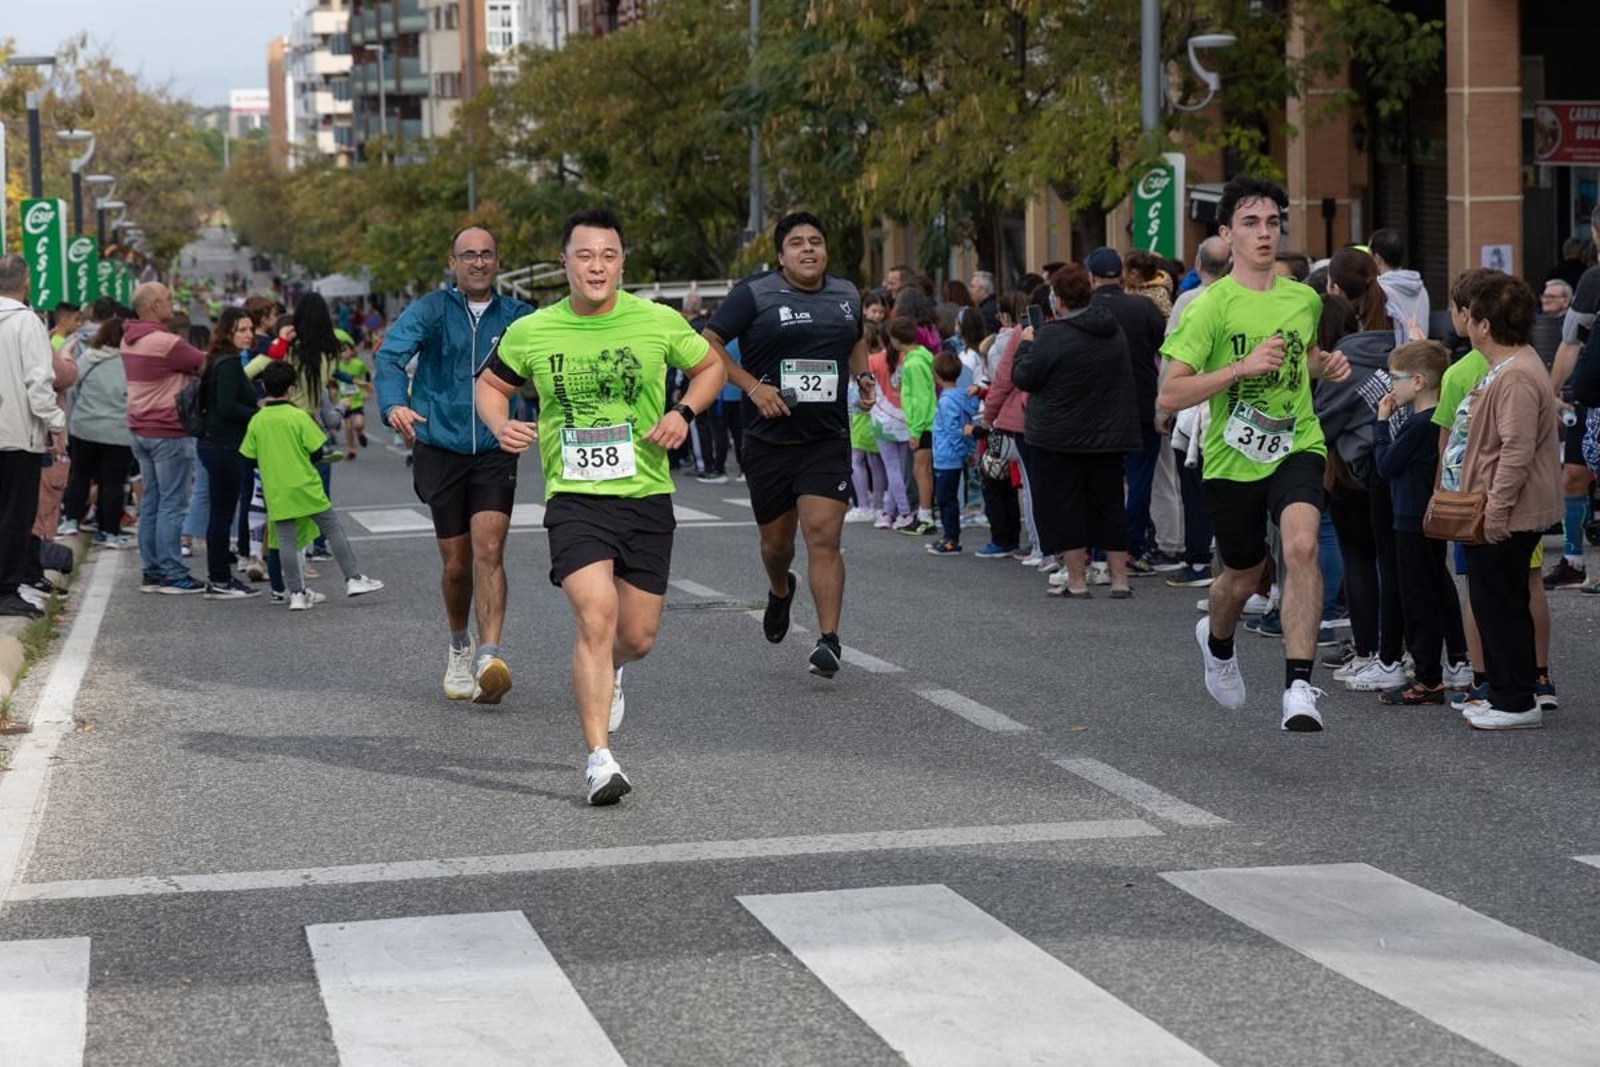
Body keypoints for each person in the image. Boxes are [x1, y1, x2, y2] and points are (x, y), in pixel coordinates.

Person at [475, 207, 725, 805]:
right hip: (575, 498)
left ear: (621, 263)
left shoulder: (656, 320)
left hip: (645, 494)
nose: (596, 266)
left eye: (608, 256)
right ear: (564, 263)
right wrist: (500, 423)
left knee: (636, 636)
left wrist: (682, 412)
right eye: (584, 256)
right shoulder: (533, 330)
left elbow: (711, 366)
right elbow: (490, 385)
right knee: (594, 616)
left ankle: (612, 670)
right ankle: (599, 760)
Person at [1158, 175, 1353, 732]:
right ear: (1227, 234)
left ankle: (1298, 686)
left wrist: (1326, 365)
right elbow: (1170, 394)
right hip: (1232, 457)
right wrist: (1241, 368)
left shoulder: (1304, 298)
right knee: (1242, 576)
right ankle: (1217, 642)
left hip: (1297, 442)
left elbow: (1306, 357)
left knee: (1302, 546)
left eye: (1272, 222)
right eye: (1250, 223)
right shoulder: (1209, 307)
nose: (1264, 234)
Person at [704, 212, 872, 677]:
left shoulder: (847, 294)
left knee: (824, 536)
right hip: (769, 439)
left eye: (816, 241)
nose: (808, 249)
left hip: (825, 437)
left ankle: (828, 640)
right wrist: (751, 387)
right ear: (781, 256)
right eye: (796, 243)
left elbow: (858, 338)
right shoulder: (754, 294)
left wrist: (863, 375)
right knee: (777, 544)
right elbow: (710, 340)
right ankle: (780, 588)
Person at [374, 226, 535, 703]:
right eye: (469, 255)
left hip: (494, 445)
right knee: (458, 564)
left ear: (497, 260)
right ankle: (459, 645)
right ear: (453, 263)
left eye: (487, 254)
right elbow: (388, 359)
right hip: (439, 446)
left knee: (489, 548)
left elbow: (556, 360)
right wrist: (392, 406)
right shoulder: (430, 310)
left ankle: (489, 656)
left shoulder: (520, 316)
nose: (479, 262)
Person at [1435, 268, 1557, 713]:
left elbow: (1516, 451)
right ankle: (1511, 693)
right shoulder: (1507, 366)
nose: (1462, 319)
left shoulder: (1516, 373)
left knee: (1500, 604)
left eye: (1469, 314)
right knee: (1495, 601)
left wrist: (1497, 512)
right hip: (1493, 507)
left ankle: (1514, 699)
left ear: (1484, 324)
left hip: (1504, 510)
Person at [1013, 263, 1142, 599]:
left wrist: (1027, 343)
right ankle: (1119, 580)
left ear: (1058, 299)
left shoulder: (1052, 335)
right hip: (1108, 433)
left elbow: (1025, 377)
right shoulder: (1112, 330)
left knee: (1067, 505)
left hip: (1060, 436)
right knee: (1110, 504)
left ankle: (1077, 580)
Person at [241, 362, 384, 611]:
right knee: (331, 528)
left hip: (276, 488)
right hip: (306, 485)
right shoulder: (298, 416)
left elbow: (248, 457)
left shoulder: (257, 420)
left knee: (285, 539)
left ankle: (296, 593)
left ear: (263, 386)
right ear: (293, 388)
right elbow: (317, 451)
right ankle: (353, 578)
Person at [1371, 340, 1468, 704]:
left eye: (1395, 377)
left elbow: (1385, 465)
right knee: (1435, 587)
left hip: (1411, 517)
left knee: (1417, 598)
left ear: (1418, 381)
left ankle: (1428, 678)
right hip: (1425, 515)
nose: (1390, 386)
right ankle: (1452, 661)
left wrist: (1380, 423)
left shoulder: (1418, 425)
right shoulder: (1434, 420)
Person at [1086, 246, 1171, 574]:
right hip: (1141, 404)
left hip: (1097, 410)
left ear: (1092, 277)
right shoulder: (1143, 307)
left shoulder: (1085, 310)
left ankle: (1098, 548)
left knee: (1100, 482)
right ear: (1120, 275)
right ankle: (1132, 546)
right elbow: (1164, 351)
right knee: (1140, 480)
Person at [122, 282, 206, 594]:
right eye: (168, 299)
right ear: (154, 306)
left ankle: (153, 570)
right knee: (173, 504)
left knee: (152, 504)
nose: (172, 302)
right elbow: (205, 363)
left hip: (139, 429)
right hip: (168, 431)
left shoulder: (129, 338)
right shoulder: (166, 342)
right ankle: (173, 572)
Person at [1160, 237, 1231, 587]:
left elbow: (1172, 358)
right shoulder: (1241, 298)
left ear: (1198, 266)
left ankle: (1199, 559)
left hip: (1193, 404)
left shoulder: (1189, 300)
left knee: (1194, 486)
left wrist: (1163, 404)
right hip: (1233, 403)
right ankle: (1223, 560)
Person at [0, 256, 66, 619]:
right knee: (15, 515)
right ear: (25, 282)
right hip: (17, 434)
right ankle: (6, 589)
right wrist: (55, 423)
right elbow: (38, 383)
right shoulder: (27, 323)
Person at [198, 309, 264, 599]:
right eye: (242, 330)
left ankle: (219, 577)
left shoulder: (221, 360)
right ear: (228, 332)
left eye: (250, 329)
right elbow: (227, 406)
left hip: (217, 443)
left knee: (221, 513)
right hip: (224, 445)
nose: (249, 334)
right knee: (222, 514)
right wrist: (258, 413)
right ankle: (219, 579)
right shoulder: (228, 364)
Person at [61, 316, 134, 549]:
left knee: (80, 475)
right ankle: (110, 532)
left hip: (85, 426)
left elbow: (73, 382)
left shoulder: (89, 357)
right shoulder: (131, 362)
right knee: (112, 483)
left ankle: (71, 520)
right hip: (118, 431)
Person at [977, 292, 1033, 559]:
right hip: (1025, 415)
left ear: (1004, 314)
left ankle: (1003, 538)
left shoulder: (1004, 342)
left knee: (994, 477)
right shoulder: (1031, 331)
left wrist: (988, 416)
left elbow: (1000, 381)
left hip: (1004, 418)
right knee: (1016, 482)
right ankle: (1021, 538)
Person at [926, 352, 980, 555]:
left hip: (947, 456)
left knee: (945, 499)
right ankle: (949, 535)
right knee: (948, 499)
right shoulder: (963, 396)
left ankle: (951, 539)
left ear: (936, 376)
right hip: (953, 455)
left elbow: (952, 431)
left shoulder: (946, 401)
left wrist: (961, 453)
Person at [868, 321, 915, 530]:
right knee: (901, 470)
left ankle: (903, 512)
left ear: (881, 339)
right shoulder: (910, 359)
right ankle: (889, 511)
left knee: (892, 469)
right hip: (906, 418)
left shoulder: (874, 361)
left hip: (882, 419)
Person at [1368, 227, 1430, 342]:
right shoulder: (1421, 289)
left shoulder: (1379, 290)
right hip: (1422, 354)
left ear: (1377, 258)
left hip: (1397, 356)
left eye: (1369, 254)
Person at [334, 329, 371, 461]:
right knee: (348, 427)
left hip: (357, 400)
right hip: (344, 400)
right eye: (342, 351)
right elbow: (332, 380)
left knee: (359, 424)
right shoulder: (337, 365)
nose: (345, 353)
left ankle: (360, 434)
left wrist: (366, 389)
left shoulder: (358, 364)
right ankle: (351, 449)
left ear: (353, 351)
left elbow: (367, 375)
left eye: (347, 350)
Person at [970, 270, 1001, 336]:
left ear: (983, 289)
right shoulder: (995, 305)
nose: (970, 290)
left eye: (972, 287)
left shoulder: (986, 312)